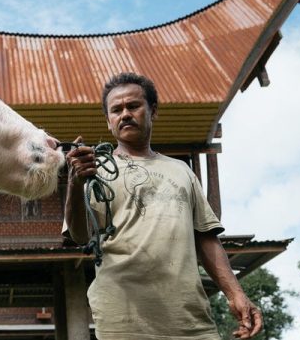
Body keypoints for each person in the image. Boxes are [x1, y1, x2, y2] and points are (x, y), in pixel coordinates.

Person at [62, 72, 262, 340]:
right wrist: (75, 183)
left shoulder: (182, 171)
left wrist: (236, 293)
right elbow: (80, 236)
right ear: (108, 121)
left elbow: (206, 237)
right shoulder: (94, 171)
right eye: (116, 110)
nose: (125, 114)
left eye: (133, 106)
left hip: (189, 319)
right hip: (123, 318)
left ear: (152, 111)